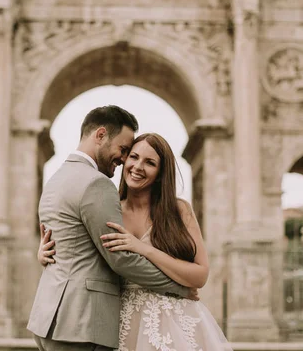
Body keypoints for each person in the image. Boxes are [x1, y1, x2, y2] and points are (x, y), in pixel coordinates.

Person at [39, 133, 233, 350]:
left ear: (160, 173)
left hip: (175, 323)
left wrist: (143, 249)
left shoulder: (179, 210)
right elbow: (82, 251)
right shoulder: (109, 210)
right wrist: (47, 252)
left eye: (150, 162)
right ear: (125, 160)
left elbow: (200, 275)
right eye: (134, 157)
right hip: (119, 322)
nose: (138, 166)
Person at [27, 106, 198, 351]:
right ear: (100, 135)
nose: (124, 158)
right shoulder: (97, 183)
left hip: (48, 318)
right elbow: (121, 260)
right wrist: (179, 287)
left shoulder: (56, 179)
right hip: (80, 322)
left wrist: (41, 254)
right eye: (124, 149)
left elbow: (65, 240)